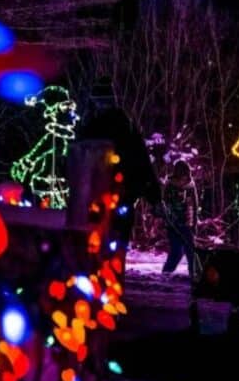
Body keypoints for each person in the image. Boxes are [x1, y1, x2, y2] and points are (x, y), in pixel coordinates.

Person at [79, 103, 160, 249]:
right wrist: (154, 195)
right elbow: (143, 164)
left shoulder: (91, 130)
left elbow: (78, 160)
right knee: (119, 239)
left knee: (95, 238)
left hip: (96, 196)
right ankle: (116, 265)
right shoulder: (128, 132)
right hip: (124, 195)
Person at [160, 160, 198, 279]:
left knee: (191, 251)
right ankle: (166, 273)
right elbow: (164, 203)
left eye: (186, 173)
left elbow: (195, 205)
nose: (184, 177)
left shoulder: (191, 185)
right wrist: (167, 220)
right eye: (182, 174)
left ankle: (194, 274)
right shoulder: (170, 185)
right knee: (176, 251)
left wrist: (194, 222)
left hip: (188, 222)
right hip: (174, 224)